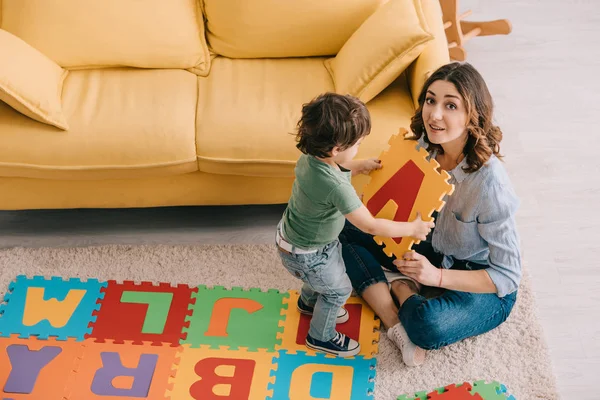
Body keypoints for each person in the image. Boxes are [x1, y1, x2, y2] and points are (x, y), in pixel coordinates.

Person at [339, 62, 522, 367]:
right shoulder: (425, 146)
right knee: (342, 225)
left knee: (426, 326)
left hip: (480, 279)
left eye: (450, 105)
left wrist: (434, 276)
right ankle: (394, 319)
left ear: (472, 115)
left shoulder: (491, 184)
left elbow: (507, 275)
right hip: (432, 247)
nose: (434, 114)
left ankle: (401, 285)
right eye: (430, 100)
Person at [276, 92, 434, 357]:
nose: (360, 147)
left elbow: (338, 166)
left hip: (292, 239)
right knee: (338, 289)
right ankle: (320, 336)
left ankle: (308, 301)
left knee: (322, 276)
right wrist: (412, 229)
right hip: (309, 254)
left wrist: (360, 165)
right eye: (358, 144)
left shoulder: (308, 159)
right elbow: (370, 226)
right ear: (336, 149)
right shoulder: (337, 187)